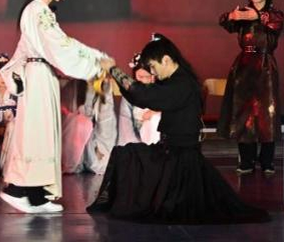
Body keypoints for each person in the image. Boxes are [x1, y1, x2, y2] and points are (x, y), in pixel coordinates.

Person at [88, 33, 269, 224]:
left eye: (153, 66)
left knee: (128, 157)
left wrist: (114, 69)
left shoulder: (182, 84)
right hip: (170, 152)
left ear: (166, 60)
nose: (152, 72)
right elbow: (139, 96)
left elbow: (143, 95)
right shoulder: (176, 81)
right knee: (126, 155)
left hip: (180, 159)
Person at [0, 0, 109, 214]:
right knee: (37, 132)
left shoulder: (42, 11)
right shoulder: (37, 11)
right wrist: (93, 60)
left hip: (43, 74)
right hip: (37, 75)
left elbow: (57, 44)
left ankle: (35, 193)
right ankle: (21, 191)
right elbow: (59, 45)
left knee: (43, 132)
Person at [217, 0, 284, 174]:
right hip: (244, 65)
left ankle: (267, 160)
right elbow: (224, 21)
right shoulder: (243, 12)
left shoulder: (274, 14)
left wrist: (256, 15)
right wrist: (233, 15)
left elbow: (276, 23)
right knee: (244, 112)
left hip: (265, 65)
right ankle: (246, 159)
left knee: (267, 113)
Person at [60, 75, 117, 174]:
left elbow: (104, 115)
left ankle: (101, 87)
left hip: (99, 158)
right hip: (88, 158)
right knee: (85, 120)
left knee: (101, 119)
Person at [116, 53, 161, 146]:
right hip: (137, 141)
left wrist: (154, 112)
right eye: (140, 77)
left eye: (147, 76)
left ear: (153, 77)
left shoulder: (160, 90)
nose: (143, 80)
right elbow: (125, 126)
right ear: (134, 76)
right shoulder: (128, 95)